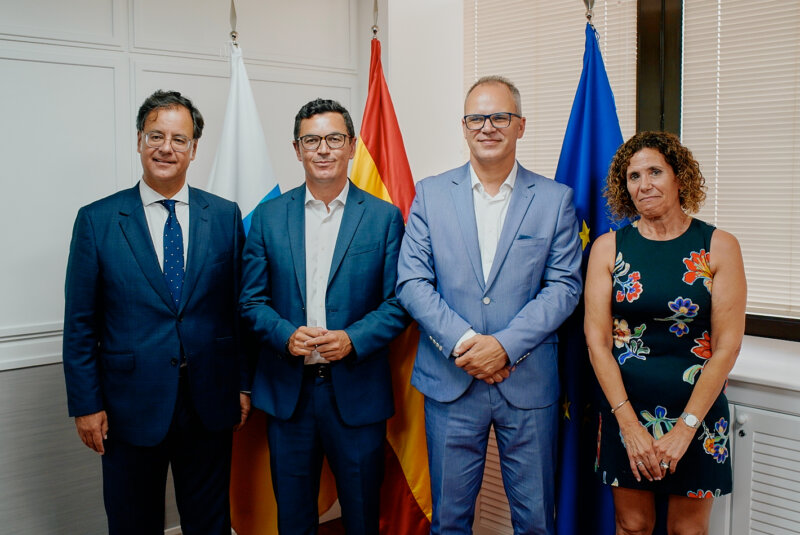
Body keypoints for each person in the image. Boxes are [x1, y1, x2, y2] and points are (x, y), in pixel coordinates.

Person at [396, 75, 583, 534]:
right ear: (464, 127)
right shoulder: (431, 194)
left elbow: (563, 287)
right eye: (477, 117)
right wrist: (467, 343)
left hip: (529, 381)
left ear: (521, 126)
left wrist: (502, 346)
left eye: (500, 116)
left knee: (537, 521)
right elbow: (412, 281)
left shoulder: (555, 200)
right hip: (450, 381)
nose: (488, 127)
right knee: (450, 522)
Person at [62, 90, 250, 535]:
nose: (167, 147)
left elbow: (238, 312)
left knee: (209, 523)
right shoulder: (97, 220)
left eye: (179, 139)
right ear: (140, 141)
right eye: (156, 136)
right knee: (133, 523)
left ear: (194, 149)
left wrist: (243, 385)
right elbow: (81, 325)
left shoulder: (224, 216)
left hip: (208, 402)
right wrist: (86, 405)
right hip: (130, 406)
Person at [239, 98, 409, 535]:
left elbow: (399, 303)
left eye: (334, 139)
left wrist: (353, 338)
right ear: (296, 149)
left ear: (352, 146)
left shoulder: (384, 218)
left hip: (356, 393)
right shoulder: (269, 217)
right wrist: (283, 335)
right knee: (294, 519)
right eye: (311, 140)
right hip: (288, 395)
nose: (323, 149)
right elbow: (251, 300)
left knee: (361, 517)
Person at [585, 131, 746, 535]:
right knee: (633, 525)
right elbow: (598, 343)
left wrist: (686, 428)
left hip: (699, 411)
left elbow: (727, 347)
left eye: (655, 171)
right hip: (626, 409)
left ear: (679, 177)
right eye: (634, 177)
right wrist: (629, 426)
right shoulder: (608, 248)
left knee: (687, 532)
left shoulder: (719, 246)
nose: (644, 185)